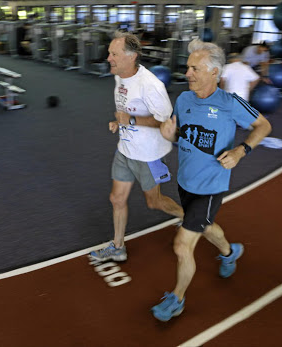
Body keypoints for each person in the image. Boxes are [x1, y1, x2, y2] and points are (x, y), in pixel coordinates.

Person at [151, 39, 272, 322]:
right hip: (185, 180)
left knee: (182, 245)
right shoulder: (182, 99)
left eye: (195, 68)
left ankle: (177, 299)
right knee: (206, 227)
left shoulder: (230, 104)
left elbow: (263, 125)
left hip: (211, 185)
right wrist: (170, 135)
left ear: (214, 72)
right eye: (188, 67)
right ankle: (229, 252)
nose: (188, 73)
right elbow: (181, 133)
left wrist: (241, 150)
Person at [90, 31, 184, 262]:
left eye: (114, 54)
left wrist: (130, 121)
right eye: (109, 53)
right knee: (116, 199)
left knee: (155, 202)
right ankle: (118, 246)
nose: (108, 58)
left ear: (131, 57)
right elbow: (126, 110)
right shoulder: (120, 76)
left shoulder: (150, 85)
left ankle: (187, 216)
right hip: (125, 149)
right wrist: (119, 122)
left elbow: (166, 122)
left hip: (148, 155)